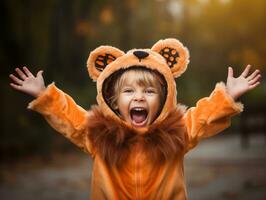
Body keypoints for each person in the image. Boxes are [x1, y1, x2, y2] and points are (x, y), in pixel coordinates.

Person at [9, 38, 261, 199]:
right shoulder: (98, 135)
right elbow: (69, 116)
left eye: (149, 91)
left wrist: (227, 95)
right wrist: (44, 95)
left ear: (163, 99)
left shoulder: (176, 133)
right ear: (113, 101)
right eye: (128, 91)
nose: (139, 97)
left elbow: (204, 116)